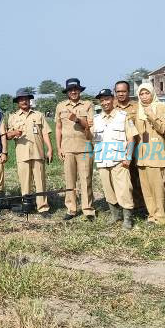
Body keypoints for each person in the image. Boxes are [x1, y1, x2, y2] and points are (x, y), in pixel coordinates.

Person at [92, 89, 138, 229]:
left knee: (124, 189)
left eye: (107, 99)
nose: (105, 102)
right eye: (102, 100)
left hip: (119, 159)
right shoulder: (96, 119)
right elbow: (91, 138)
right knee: (108, 189)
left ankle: (127, 219)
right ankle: (115, 215)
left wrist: (128, 157)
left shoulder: (123, 116)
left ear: (113, 100)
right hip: (103, 159)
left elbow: (131, 138)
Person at [7, 88, 53, 216]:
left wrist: (50, 149)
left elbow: (45, 133)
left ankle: (43, 207)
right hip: (22, 155)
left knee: (40, 182)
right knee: (25, 183)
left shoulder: (38, 115)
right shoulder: (13, 117)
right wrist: (14, 133)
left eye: (26, 99)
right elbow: (7, 135)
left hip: (38, 153)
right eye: (21, 99)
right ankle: (27, 206)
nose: (24, 101)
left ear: (29, 100)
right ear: (18, 102)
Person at [55, 78, 95, 221]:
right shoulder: (60, 106)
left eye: (76, 89)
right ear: (67, 92)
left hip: (85, 147)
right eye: (70, 90)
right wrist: (58, 148)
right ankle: (71, 209)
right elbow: (58, 128)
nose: (73, 92)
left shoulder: (88, 105)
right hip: (68, 149)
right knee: (70, 180)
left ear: (80, 91)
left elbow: (89, 126)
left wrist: (77, 119)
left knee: (86, 179)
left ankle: (88, 209)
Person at [134, 82, 165, 225]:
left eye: (147, 93)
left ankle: (161, 217)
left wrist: (152, 116)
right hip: (142, 153)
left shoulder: (159, 107)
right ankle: (152, 215)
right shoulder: (138, 109)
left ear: (152, 93)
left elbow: (163, 129)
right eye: (141, 93)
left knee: (157, 187)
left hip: (155, 152)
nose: (144, 96)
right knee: (146, 187)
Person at [114, 80, 145, 210]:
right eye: (118, 91)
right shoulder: (112, 107)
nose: (121, 94)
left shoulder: (137, 107)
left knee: (137, 177)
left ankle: (140, 206)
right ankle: (122, 207)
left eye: (124, 91)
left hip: (135, 148)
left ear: (128, 92)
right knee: (120, 180)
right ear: (115, 92)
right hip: (118, 150)